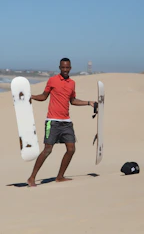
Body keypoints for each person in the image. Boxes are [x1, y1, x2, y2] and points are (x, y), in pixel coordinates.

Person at [27, 57, 96, 187]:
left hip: (66, 122)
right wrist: (33, 97)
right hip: (52, 121)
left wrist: (89, 103)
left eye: (67, 67)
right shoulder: (52, 80)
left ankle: (60, 176)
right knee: (47, 150)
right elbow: (44, 96)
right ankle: (32, 178)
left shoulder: (72, 83)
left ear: (70, 68)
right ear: (60, 68)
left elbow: (73, 101)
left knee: (71, 149)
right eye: (63, 67)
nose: (65, 69)